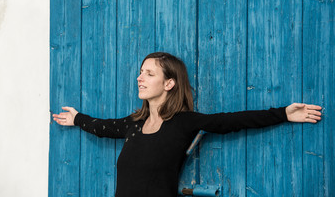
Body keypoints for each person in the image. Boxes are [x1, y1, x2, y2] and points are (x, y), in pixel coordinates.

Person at [53, 52, 322, 197]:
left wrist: (283, 113)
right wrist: (77, 119)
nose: (140, 78)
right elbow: (103, 127)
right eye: (140, 72)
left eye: (149, 73)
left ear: (169, 83)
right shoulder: (134, 124)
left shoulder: (183, 123)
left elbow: (232, 120)